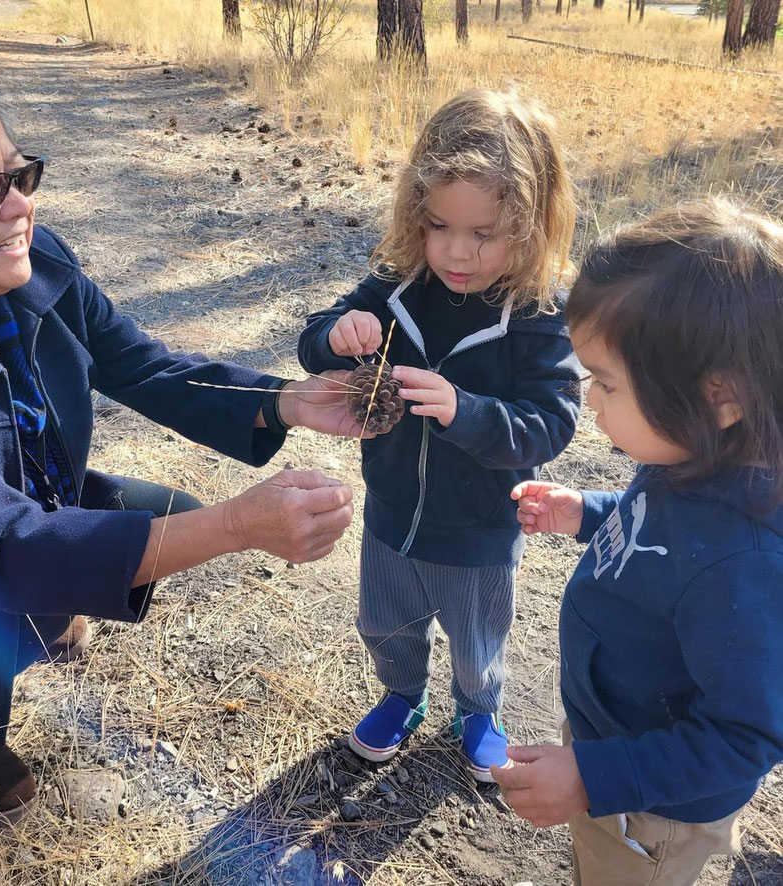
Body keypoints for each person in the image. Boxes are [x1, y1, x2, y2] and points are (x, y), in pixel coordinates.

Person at [0, 58, 361, 827]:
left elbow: (145, 366)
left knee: (167, 519)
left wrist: (286, 401)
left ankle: (41, 610)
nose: (20, 206)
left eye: (22, 175)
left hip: (25, 509)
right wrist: (237, 526)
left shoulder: (40, 270)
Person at [495, 199, 783, 886]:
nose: (589, 398)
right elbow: (657, 531)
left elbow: (747, 736)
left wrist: (595, 778)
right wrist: (588, 513)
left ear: (719, 396)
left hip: (656, 805)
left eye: (606, 382)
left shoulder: (740, 564)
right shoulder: (695, 451)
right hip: (616, 742)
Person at [297, 89, 582, 781]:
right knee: (385, 622)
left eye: (485, 233)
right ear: (415, 213)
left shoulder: (537, 314)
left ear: (532, 225)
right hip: (392, 510)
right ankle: (402, 695)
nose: (457, 251)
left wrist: (466, 411)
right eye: (438, 225)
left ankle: (479, 710)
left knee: (476, 638)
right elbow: (314, 342)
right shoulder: (397, 285)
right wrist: (337, 335)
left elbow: (550, 424)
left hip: (480, 528)